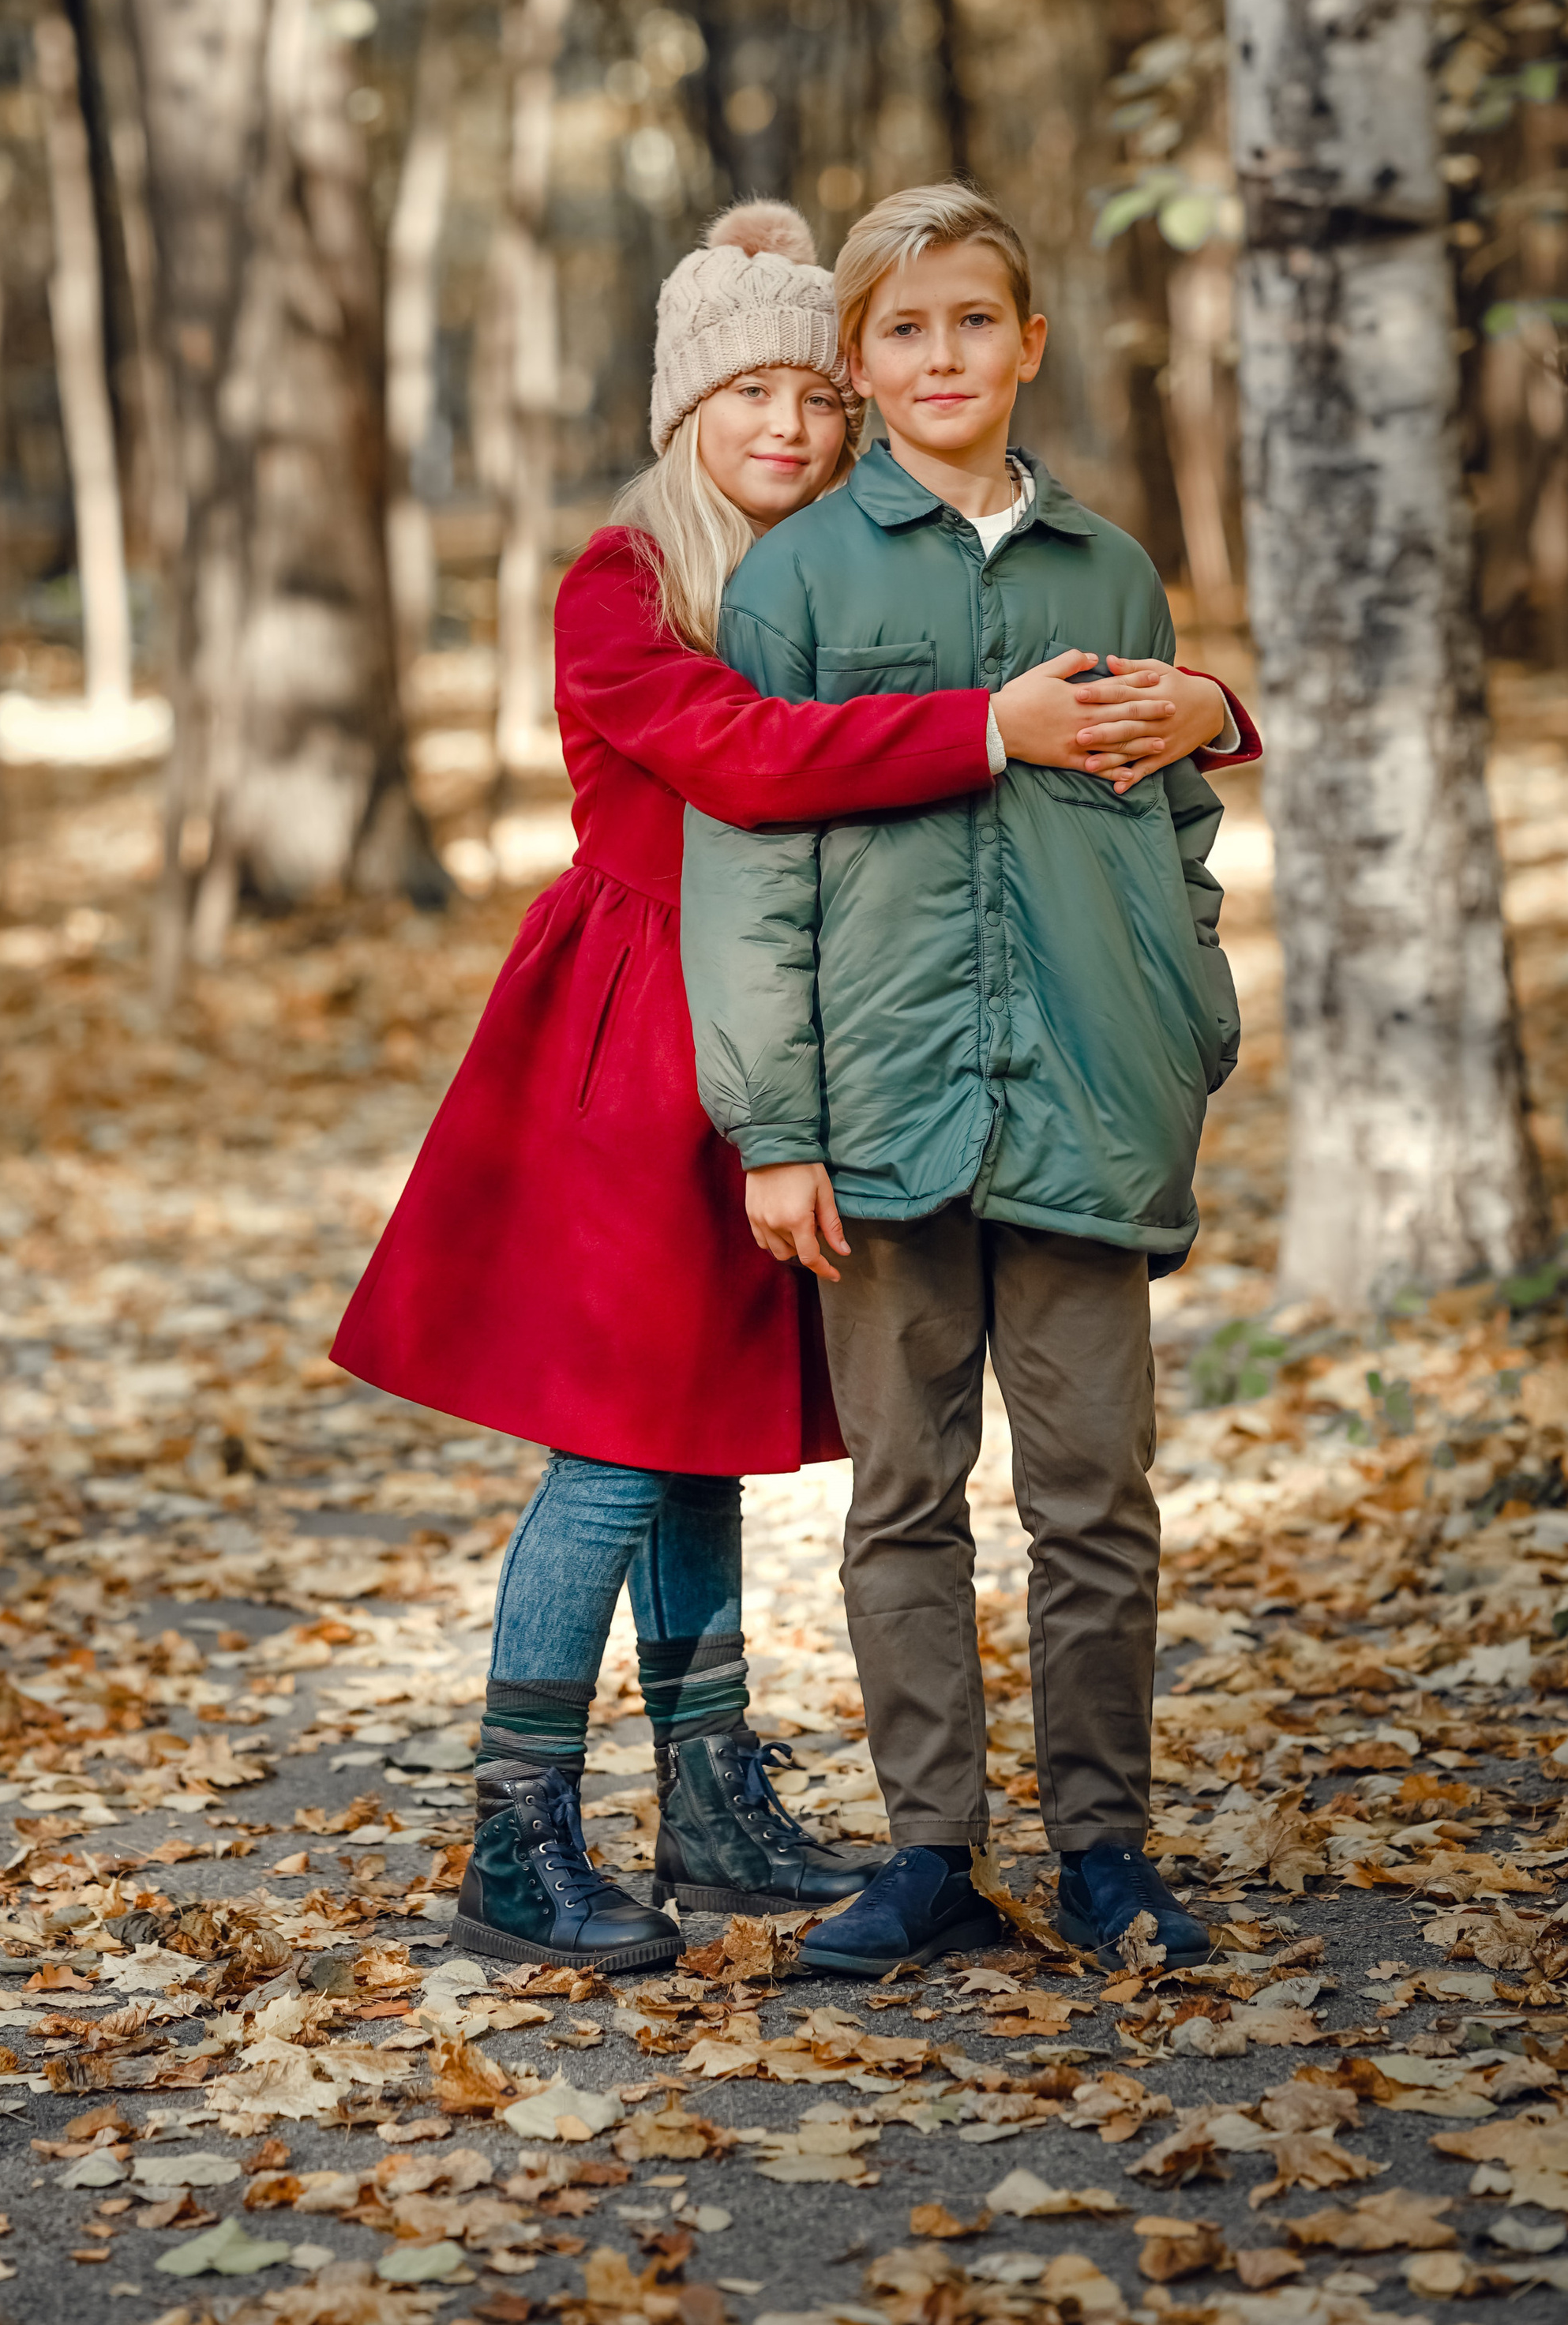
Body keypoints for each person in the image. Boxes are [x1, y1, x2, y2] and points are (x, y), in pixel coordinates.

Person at [333, 200, 1258, 1974]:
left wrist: (1203, 708)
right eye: (744, 390)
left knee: (700, 1447)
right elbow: (756, 766)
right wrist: (996, 719)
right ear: (684, 406)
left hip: (807, 1036)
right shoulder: (630, 581)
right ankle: (513, 1830)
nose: (785, 422)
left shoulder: (823, 560)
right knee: (612, 1446)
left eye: (803, 394)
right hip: (645, 1048)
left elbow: (1133, 758)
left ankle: (709, 1795)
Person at [682, 181, 1244, 1983]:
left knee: (1093, 1492)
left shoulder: (1104, 567)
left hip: (1085, 1094)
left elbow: (1179, 819)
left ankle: (1104, 1849)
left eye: (971, 322)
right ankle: (930, 1852)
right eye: (901, 329)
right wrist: (774, 1121)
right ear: (855, 362)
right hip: (882, 1109)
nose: (940, 356)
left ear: (1028, 342)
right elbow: (750, 853)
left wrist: (1189, 1019)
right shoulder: (796, 577)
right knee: (901, 1492)